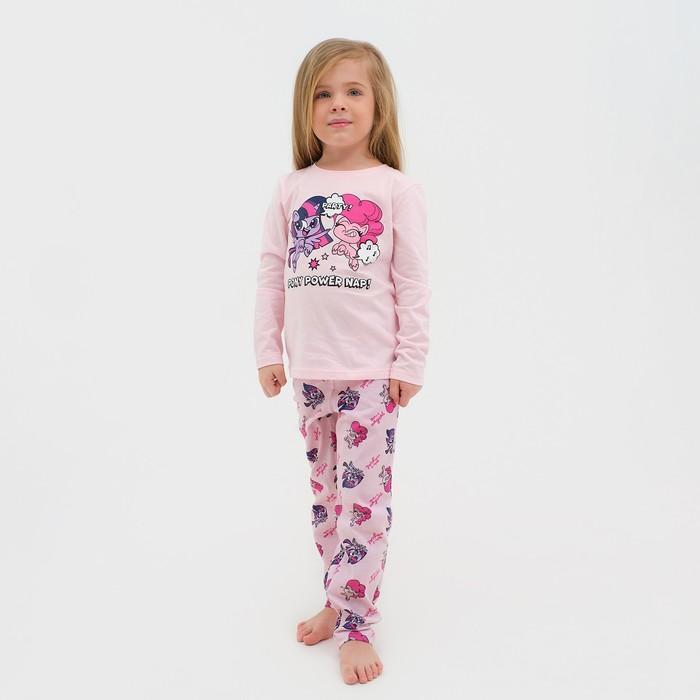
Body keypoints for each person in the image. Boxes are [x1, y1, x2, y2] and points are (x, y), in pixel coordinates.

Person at [253, 37, 430, 685]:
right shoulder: (291, 189)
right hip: (309, 372)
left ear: (378, 106)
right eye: (323, 93)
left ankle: (357, 623)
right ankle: (338, 596)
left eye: (353, 91)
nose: (338, 104)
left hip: (371, 376)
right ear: (305, 108)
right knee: (327, 498)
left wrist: (409, 362)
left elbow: (413, 283)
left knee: (363, 502)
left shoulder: (395, 190)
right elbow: (271, 274)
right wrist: (268, 350)